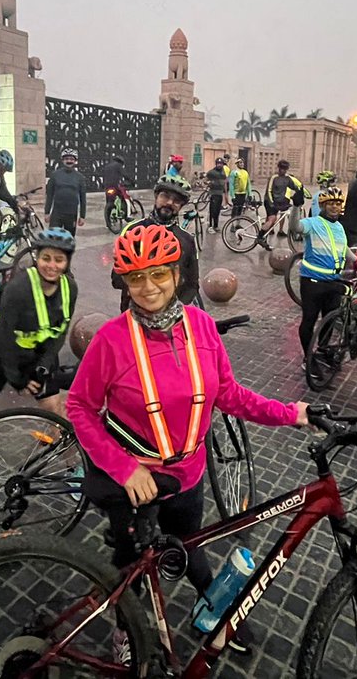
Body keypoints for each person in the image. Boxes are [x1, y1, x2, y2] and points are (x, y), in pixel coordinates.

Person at [67, 224, 309, 660]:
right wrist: (124, 469)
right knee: (129, 571)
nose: (148, 287)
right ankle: (126, 633)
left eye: (158, 274)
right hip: (134, 483)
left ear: (177, 274)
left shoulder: (200, 325)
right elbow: (80, 410)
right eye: (135, 277)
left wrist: (291, 413)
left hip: (188, 476)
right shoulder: (111, 340)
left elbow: (229, 394)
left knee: (191, 548)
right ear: (123, 282)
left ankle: (217, 610)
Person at [0, 228, 80, 428]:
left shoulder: (70, 288)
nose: (51, 266)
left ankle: (58, 453)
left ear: (67, 262)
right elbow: (5, 339)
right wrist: (18, 379)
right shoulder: (18, 289)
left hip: (37, 350)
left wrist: (43, 365)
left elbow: (60, 333)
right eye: (46, 258)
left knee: (54, 407)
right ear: (37, 257)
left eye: (59, 260)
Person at [113, 175, 201, 310]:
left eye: (176, 201)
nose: (170, 202)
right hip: (134, 312)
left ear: (181, 206)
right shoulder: (132, 231)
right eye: (165, 196)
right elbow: (117, 279)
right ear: (156, 196)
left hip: (170, 318)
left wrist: (175, 308)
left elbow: (192, 284)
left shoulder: (187, 240)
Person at [297, 187, 352, 381]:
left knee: (329, 320)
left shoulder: (340, 227)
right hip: (312, 282)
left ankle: (321, 352)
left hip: (333, 281)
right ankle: (308, 358)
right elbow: (296, 228)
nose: (335, 207)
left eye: (338, 203)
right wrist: (297, 206)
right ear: (322, 205)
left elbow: (343, 249)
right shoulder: (313, 223)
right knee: (309, 320)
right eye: (331, 203)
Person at [255, 160, 306, 250]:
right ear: (279, 168)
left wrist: (301, 191)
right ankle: (260, 237)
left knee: (288, 211)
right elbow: (269, 191)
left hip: (280, 201)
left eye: (285, 169)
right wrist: (272, 203)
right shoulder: (273, 177)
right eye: (281, 168)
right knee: (272, 219)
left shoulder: (287, 178)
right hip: (270, 200)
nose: (283, 171)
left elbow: (294, 187)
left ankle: (266, 236)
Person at [45, 147, 87, 235]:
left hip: (71, 213)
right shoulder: (55, 175)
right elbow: (49, 195)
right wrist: (47, 212)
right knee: (53, 238)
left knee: (69, 238)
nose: (69, 161)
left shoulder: (80, 177)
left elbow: (83, 198)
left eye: (71, 159)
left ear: (75, 161)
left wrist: (82, 216)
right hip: (57, 213)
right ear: (62, 160)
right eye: (66, 159)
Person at [102, 154, 133, 227]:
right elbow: (125, 175)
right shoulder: (118, 166)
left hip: (107, 187)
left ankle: (108, 222)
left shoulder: (107, 166)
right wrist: (131, 181)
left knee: (109, 202)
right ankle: (127, 216)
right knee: (126, 199)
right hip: (115, 186)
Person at [204, 158, 228, 233]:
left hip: (220, 194)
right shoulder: (211, 172)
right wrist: (209, 183)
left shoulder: (223, 173)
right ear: (216, 164)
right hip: (213, 194)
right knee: (212, 211)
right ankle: (210, 226)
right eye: (218, 163)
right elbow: (205, 180)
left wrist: (226, 195)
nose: (219, 165)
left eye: (221, 163)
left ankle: (216, 226)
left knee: (217, 211)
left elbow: (225, 184)